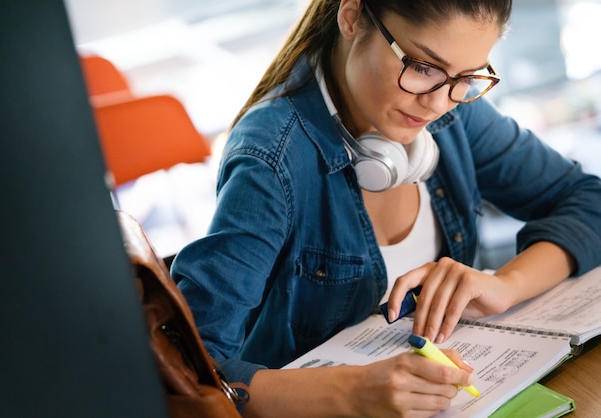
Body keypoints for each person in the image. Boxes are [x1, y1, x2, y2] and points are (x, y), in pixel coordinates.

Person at [171, 0, 601, 416]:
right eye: (421, 67)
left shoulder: (453, 111)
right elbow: (188, 375)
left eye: (465, 77)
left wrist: (507, 285)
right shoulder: (272, 158)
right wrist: (350, 393)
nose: (437, 104)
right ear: (353, 16)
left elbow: (589, 199)